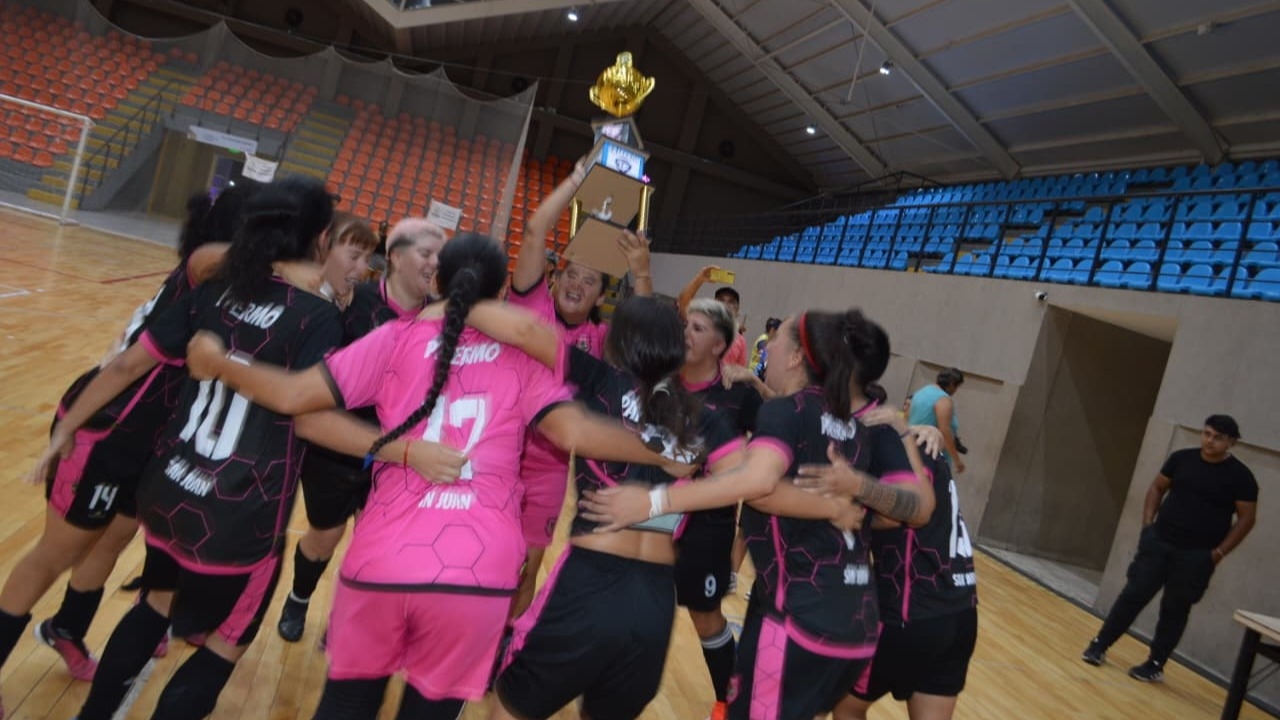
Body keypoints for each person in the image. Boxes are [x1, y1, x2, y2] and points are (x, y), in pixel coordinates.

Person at [185, 233, 692, 719]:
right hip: (478, 572)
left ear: (438, 282)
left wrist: (219, 360)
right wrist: (659, 453)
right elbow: (575, 432)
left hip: (383, 558)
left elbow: (297, 403)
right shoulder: (524, 357)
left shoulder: (394, 339)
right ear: (498, 293)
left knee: (345, 708)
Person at [38, 179, 345, 720]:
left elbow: (130, 363)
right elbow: (312, 417)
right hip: (239, 512)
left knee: (155, 603)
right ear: (321, 238)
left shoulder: (217, 289)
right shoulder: (318, 317)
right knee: (229, 642)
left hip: (171, 488)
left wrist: (68, 428)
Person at [580, 309, 937, 720]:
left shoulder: (789, 412)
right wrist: (846, 501)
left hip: (798, 620)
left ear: (795, 358)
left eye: (778, 339)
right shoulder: (854, 424)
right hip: (855, 625)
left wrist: (654, 502)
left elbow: (757, 483)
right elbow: (909, 509)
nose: (768, 346)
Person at [0, 187, 255, 713]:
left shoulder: (226, 286)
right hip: (107, 427)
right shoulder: (209, 261)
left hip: (150, 439)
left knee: (109, 542)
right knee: (54, 553)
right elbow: (126, 360)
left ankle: (66, 627)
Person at [478, 295, 762, 720]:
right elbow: (750, 479)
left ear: (618, 340)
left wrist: (457, 300)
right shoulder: (703, 417)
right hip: (654, 601)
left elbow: (521, 330)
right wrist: (659, 500)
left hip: (588, 582)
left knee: (509, 709)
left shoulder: (599, 379)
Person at [505, 160, 652, 619]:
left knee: (526, 570)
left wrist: (640, 271)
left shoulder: (603, 343)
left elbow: (647, 332)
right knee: (482, 560)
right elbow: (533, 233)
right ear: (555, 276)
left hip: (548, 468)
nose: (576, 283)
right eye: (570, 273)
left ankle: (501, 648)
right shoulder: (529, 304)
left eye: (589, 281)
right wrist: (575, 180)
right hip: (498, 450)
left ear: (599, 297)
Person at [832, 387, 978, 720]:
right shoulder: (921, 445)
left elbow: (905, 511)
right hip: (961, 610)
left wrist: (847, 514)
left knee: (846, 707)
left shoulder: (897, 449)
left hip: (910, 611)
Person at [1082, 415, 1258, 684]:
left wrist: (1218, 553)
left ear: (1231, 442)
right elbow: (1157, 487)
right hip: (1159, 543)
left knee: (1175, 609)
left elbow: (1246, 519)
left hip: (1197, 556)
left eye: (1218, 437)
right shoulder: (1181, 459)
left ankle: (1155, 663)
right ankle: (1099, 645)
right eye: (1207, 434)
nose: (1210, 441)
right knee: (1133, 595)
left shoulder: (1241, 477)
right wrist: (1147, 526)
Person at [275, 212, 383, 643]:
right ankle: (298, 599)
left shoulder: (365, 304)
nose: (360, 270)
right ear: (323, 245)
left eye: (366, 261)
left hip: (373, 445)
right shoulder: (301, 301)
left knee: (370, 543)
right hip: (322, 445)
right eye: (353, 256)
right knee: (325, 534)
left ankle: (343, 617)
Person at [676, 298, 763, 719]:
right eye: (685, 325)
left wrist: (760, 384)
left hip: (709, 523)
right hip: (653, 517)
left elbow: (790, 426)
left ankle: (729, 703)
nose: (685, 333)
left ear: (719, 344)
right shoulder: (661, 381)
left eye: (696, 328)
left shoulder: (739, 394)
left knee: (705, 616)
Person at [677, 266, 746, 367]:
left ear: (738, 310)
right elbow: (683, 303)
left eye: (731, 302)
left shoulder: (741, 342)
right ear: (713, 304)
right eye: (721, 300)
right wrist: (700, 279)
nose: (725, 304)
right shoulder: (699, 325)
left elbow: (740, 371)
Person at [908, 368, 966, 474]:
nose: (956, 390)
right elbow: (944, 430)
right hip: (931, 455)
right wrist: (957, 460)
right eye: (957, 387)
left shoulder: (921, 392)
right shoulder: (943, 399)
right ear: (952, 384)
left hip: (912, 448)